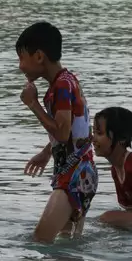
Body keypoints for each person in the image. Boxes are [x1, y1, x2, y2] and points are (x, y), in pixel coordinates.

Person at [15, 21, 96, 243]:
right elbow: (74, 132)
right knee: (65, 250)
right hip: (80, 174)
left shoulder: (61, 86)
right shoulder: (66, 81)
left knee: (40, 240)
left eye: (22, 58)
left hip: (74, 176)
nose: (20, 66)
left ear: (39, 56)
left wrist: (33, 105)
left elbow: (62, 133)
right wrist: (47, 152)